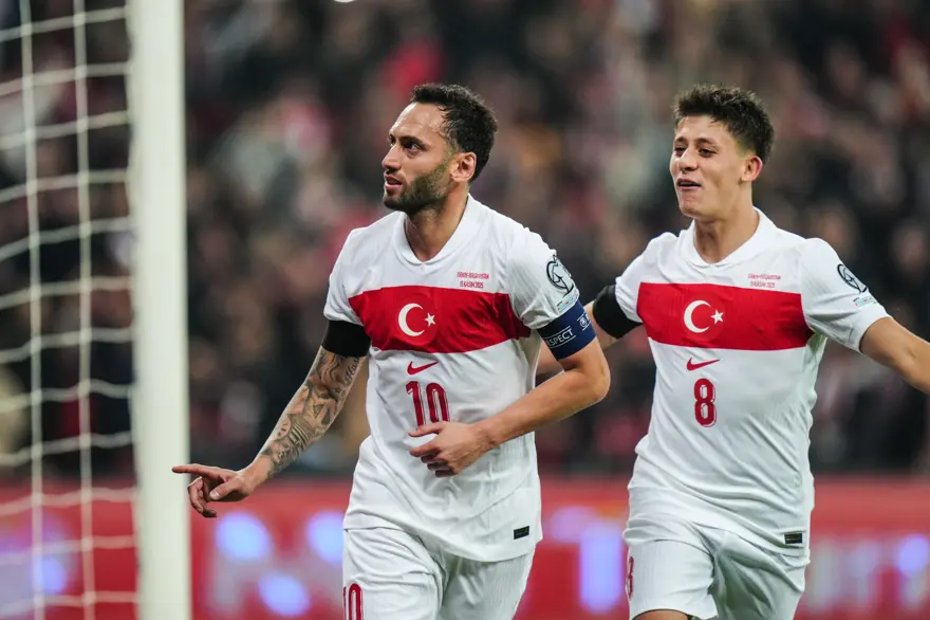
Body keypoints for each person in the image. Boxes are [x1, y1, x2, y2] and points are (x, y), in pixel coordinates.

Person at [173, 83, 610, 620]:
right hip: (389, 511)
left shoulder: (517, 256)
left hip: (495, 518)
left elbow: (590, 377)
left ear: (462, 166)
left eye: (412, 147)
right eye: (392, 142)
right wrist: (255, 471)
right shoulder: (362, 256)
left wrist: (481, 436)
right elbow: (326, 386)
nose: (390, 159)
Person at [538, 84, 930, 620]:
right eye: (680, 148)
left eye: (706, 150)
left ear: (750, 167)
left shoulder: (803, 266)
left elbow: (908, 355)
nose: (685, 162)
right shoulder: (657, 263)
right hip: (671, 498)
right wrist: (477, 358)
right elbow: (579, 339)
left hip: (769, 519)